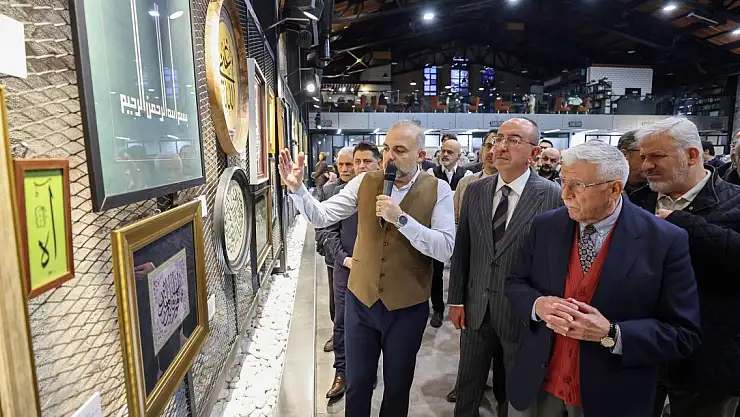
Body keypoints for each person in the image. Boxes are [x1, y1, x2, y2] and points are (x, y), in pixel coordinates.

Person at [504, 140, 701, 417]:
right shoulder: (547, 225)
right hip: (539, 385)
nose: (565, 194)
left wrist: (612, 333)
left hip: (610, 394)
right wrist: (539, 305)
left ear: (614, 189)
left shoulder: (664, 240)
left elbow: (683, 333)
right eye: (563, 181)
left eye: (578, 186)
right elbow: (515, 282)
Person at [279, 120, 455, 417]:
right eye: (386, 149)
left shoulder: (439, 190)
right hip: (361, 301)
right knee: (358, 383)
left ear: (421, 155)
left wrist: (402, 220)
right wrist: (298, 191)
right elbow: (323, 215)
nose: (389, 157)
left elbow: (445, 247)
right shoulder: (364, 182)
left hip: (407, 307)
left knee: (397, 387)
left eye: (400, 150)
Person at [448, 118, 564, 417]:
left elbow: (553, 260)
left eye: (513, 140)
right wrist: (456, 299)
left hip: (521, 312)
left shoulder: (551, 195)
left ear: (534, 153)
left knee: (515, 387)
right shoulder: (476, 190)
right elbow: (463, 248)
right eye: (498, 139)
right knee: (468, 380)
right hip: (476, 305)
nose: (500, 147)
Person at [627, 117, 740, 417]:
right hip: (643, 351)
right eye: (643, 157)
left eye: (656, 156)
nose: (645, 166)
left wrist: (681, 223)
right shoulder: (635, 201)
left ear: (691, 155)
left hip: (710, 360)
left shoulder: (734, 203)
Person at [322, 142, 382, 399]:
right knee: (342, 322)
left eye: (366, 161)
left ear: (379, 163)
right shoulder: (337, 194)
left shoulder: (386, 193)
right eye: (355, 162)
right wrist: (345, 260)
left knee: (372, 324)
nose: (359, 167)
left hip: (377, 273)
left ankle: (367, 371)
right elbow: (327, 232)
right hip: (345, 269)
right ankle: (342, 372)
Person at [427, 138, 473, 328]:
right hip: (438, 227)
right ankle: (438, 308)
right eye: (443, 151)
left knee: (460, 269)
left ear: (459, 156)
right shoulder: (431, 173)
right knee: (436, 271)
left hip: (460, 227)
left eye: (450, 152)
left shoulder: (466, 175)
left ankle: (461, 304)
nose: (445, 155)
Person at [315, 147, 354, 354]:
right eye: (341, 164)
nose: (345, 169)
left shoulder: (369, 189)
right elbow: (321, 226)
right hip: (335, 258)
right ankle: (338, 334)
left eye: (349, 164)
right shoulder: (329, 191)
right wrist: (335, 253)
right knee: (337, 302)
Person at [616, 130, 647, 195]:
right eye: (644, 157)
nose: (651, 164)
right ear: (624, 155)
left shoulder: (660, 189)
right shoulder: (605, 185)